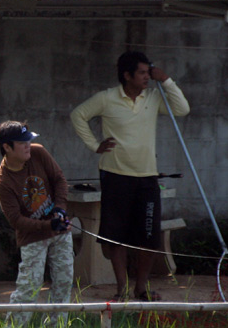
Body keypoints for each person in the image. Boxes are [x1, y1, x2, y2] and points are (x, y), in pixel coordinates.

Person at [70, 51, 190, 302]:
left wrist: (165, 79)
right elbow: (77, 115)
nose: (148, 77)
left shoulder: (155, 97)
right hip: (115, 175)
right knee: (116, 236)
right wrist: (95, 145)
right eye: (143, 73)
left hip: (147, 176)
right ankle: (122, 289)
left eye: (149, 72)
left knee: (149, 235)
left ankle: (141, 288)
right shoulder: (107, 98)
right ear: (127, 75)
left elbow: (182, 109)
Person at [0, 121, 74, 328]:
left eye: (29, 139)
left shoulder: (38, 153)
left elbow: (59, 180)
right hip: (32, 238)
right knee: (30, 286)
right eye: (22, 142)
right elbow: (16, 221)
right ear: (7, 148)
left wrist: (60, 209)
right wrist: (48, 225)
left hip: (60, 230)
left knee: (64, 282)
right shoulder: (3, 181)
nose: (29, 144)